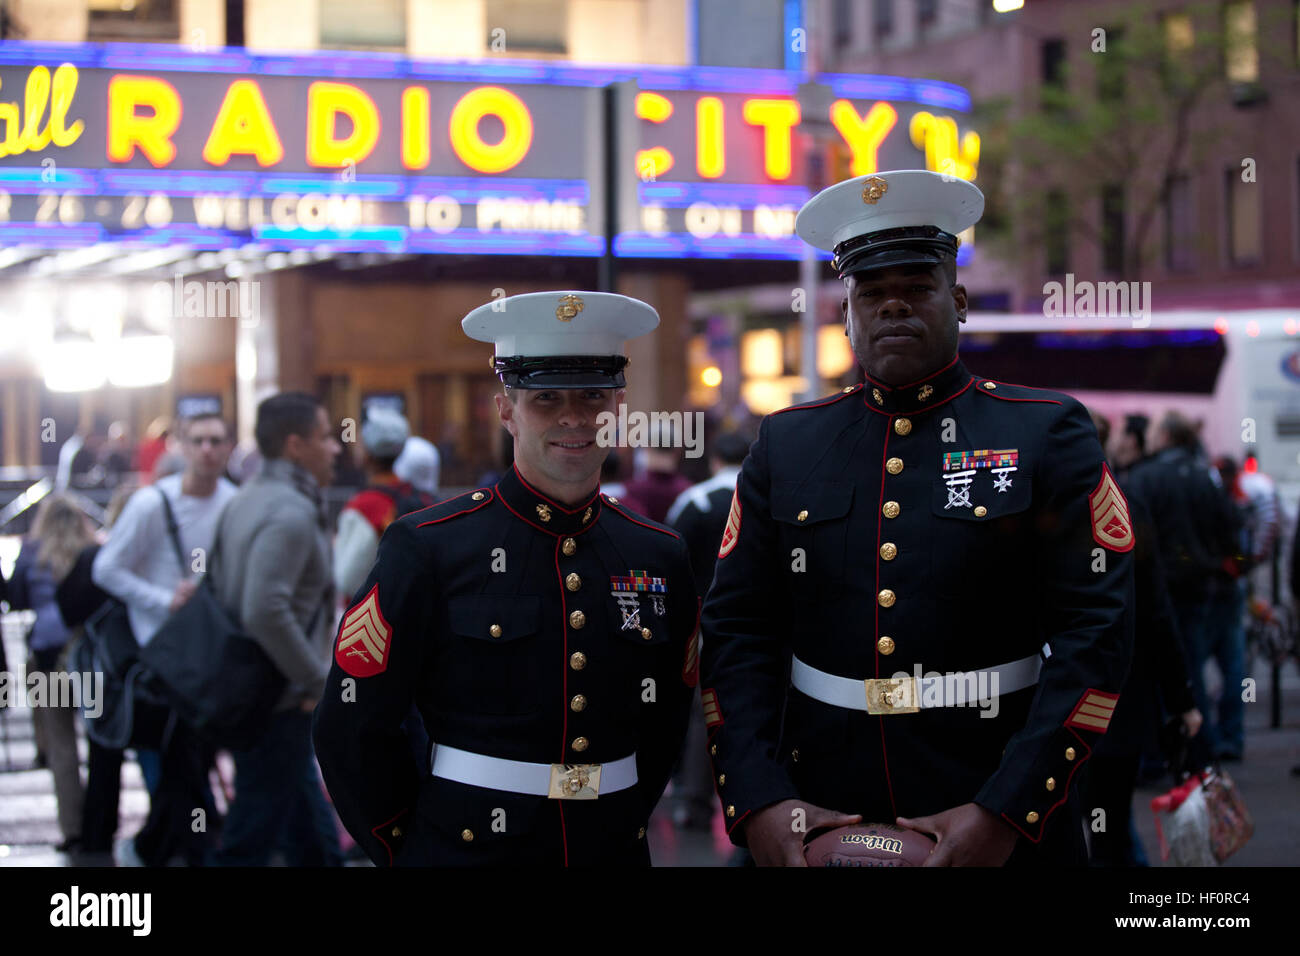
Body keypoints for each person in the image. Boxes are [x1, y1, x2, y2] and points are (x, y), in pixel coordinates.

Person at [699, 170, 1135, 867]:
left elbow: (1097, 637)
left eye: (917, 288)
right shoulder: (789, 443)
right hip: (820, 811)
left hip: (992, 805)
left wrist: (1007, 810)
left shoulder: (1045, 432)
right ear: (844, 312)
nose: (893, 307)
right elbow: (736, 633)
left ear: (957, 300)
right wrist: (757, 803)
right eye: (871, 293)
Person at [313, 291, 700, 866]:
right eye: (545, 398)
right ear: (505, 410)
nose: (573, 417)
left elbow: (669, 720)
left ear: (619, 406)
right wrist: (409, 847)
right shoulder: (432, 545)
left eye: (593, 396)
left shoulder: (659, 552)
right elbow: (352, 722)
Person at [93, 412, 236, 866]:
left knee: (188, 759)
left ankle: (156, 847)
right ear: (181, 446)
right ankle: (184, 849)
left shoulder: (233, 502)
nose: (208, 450)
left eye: (216, 440)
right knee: (179, 757)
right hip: (159, 656)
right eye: (198, 441)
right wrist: (161, 600)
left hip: (210, 657)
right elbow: (106, 569)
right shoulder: (153, 504)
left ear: (230, 447)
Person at [207, 392, 343, 866]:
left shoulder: (243, 501)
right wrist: (315, 679)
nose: (336, 448)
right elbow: (263, 608)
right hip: (278, 696)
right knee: (252, 832)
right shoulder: (290, 511)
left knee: (305, 827)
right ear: (295, 445)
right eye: (325, 436)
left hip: (254, 691)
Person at [1084, 412, 1200, 866]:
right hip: (1118, 693)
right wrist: (1182, 698)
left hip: (1048, 697)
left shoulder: (1036, 509)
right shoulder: (1126, 505)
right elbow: (1156, 613)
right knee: (1110, 818)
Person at [1126, 412, 1237, 768]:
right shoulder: (1207, 477)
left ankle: (1167, 755)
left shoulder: (1146, 477)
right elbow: (1230, 527)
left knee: (1166, 670)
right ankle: (1200, 751)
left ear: (1167, 437)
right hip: (1200, 587)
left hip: (1165, 586)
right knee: (1192, 671)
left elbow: (1137, 535)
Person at [664, 430, 751, 831]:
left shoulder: (696, 502)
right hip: (764, 624)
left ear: (714, 459)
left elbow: (669, 563)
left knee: (704, 713)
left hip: (703, 623)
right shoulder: (762, 496)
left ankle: (695, 803)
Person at [6, 494, 95, 853]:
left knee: (61, 746)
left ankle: (73, 826)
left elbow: (15, 597)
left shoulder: (32, 552)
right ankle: (99, 821)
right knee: (101, 742)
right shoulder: (88, 550)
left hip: (47, 655)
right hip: (86, 653)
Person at [333, 408, 435, 603]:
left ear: (366, 455)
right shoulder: (418, 496)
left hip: (371, 622)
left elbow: (347, 580)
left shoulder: (362, 506)